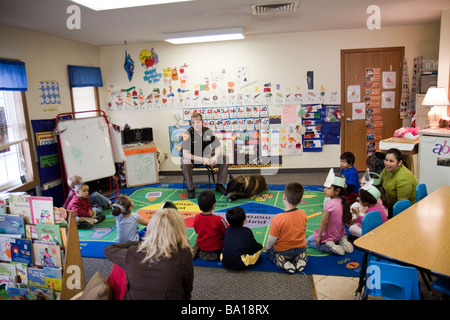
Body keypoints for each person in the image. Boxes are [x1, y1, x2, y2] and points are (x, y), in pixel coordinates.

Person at [104, 208, 194, 300]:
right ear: (179, 230)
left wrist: (144, 243)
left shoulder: (132, 253)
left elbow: (109, 249)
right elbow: (187, 288)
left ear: (151, 228)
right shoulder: (184, 254)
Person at [181, 112, 228, 198]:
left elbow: (218, 147)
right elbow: (185, 154)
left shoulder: (208, 131)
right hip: (193, 157)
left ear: (202, 122)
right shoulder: (187, 134)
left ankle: (220, 185)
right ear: (191, 123)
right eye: (193, 122)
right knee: (185, 161)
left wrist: (215, 157)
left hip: (206, 155)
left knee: (225, 157)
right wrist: (202, 159)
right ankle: (190, 188)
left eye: (198, 122)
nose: (196, 124)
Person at [265, 182, 308, 274]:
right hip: (300, 248)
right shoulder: (303, 214)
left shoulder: (278, 218)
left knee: (269, 252)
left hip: (283, 250)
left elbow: (272, 239)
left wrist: (268, 247)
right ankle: (301, 258)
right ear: (300, 200)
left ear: (284, 197)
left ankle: (282, 261)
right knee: (301, 250)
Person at [306, 172, 353, 255]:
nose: (324, 190)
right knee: (337, 235)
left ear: (337, 191)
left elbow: (324, 223)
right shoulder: (343, 202)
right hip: (340, 234)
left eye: (328, 188)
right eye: (325, 187)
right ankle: (343, 241)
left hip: (329, 236)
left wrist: (319, 236)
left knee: (309, 241)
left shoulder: (329, 205)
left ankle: (331, 246)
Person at [193, 190, 228, 260]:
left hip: (202, 248)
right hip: (217, 249)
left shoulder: (196, 217)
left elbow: (197, 231)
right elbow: (226, 231)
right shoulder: (218, 219)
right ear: (213, 206)